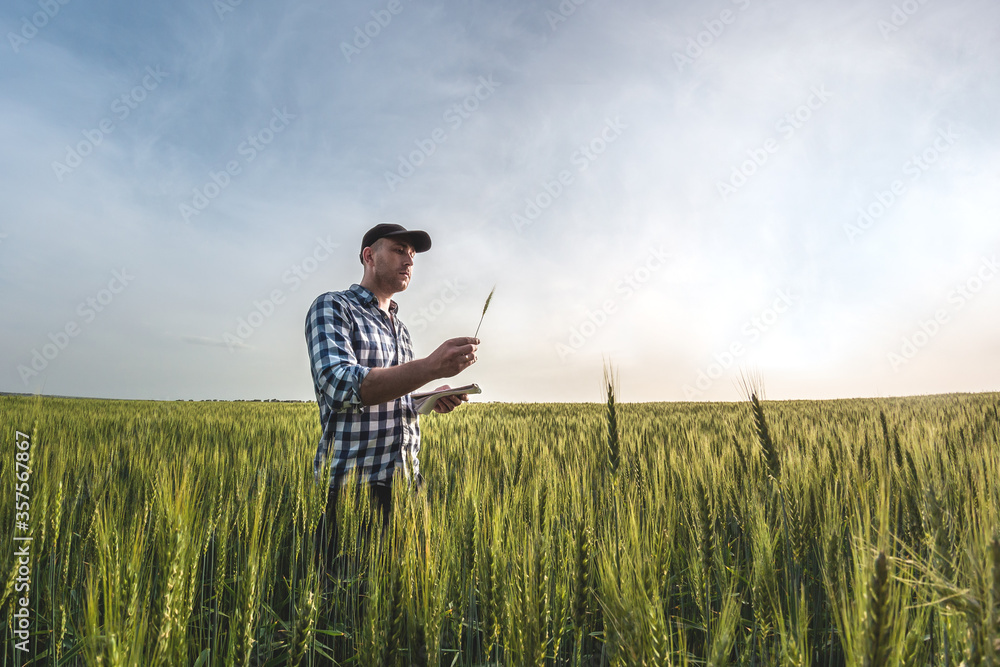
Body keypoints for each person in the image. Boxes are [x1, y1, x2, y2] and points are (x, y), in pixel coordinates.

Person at [305, 222, 479, 569]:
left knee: (406, 606)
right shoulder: (334, 307)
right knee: (345, 610)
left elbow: (395, 398)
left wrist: (427, 399)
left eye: (412, 255)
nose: (409, 261)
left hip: (408, 486)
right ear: (369, 256)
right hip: (352, 493)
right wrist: (430, 367)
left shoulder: (401, 330)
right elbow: (341, 386)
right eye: (399, 250)